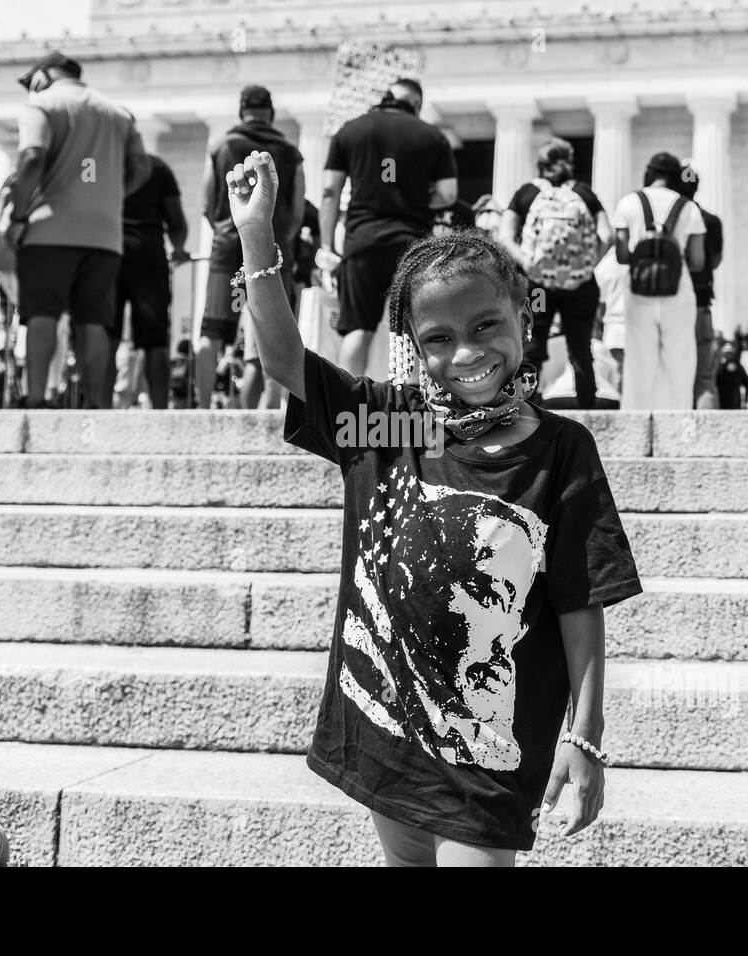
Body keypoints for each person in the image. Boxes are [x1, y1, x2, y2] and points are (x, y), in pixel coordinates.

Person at [226, 149, 641, 866]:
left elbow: (581, 601)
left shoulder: (563, 449)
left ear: (523, 315)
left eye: (486, 326)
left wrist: (584, 735)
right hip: (389, 740)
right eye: (439, 340)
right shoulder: (388, 424)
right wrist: (256, 232)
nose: (467, 353)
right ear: (415, 349)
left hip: (490, 756)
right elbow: (284, 363)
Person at [7, 51, 150, 409]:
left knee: (42, 314)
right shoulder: (118, 112)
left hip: (48, 231)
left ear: (44, 75)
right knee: (94, 321)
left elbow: (32, 159)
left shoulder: (41, 105)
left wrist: (19, 216)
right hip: (104, 236)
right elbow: (141, 168)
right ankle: (96, 405)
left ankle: (37, 397)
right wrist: (108, 194)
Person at [320, 79, 458, 376]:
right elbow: (448, 195)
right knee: (414, 330)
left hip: (362, 241)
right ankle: (409, 405)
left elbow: (330, 191)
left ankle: (351, 404)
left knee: (358, 329)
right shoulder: (432, 137)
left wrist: (327, 246)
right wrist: (415, 199)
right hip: (412, 245)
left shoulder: (350, 130)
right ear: (416, 105)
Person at [200, 85, 304, 410]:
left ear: (241, 110)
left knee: (213, 330)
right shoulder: (289, 152)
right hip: (271, 249)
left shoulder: (221, 146)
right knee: (267, 330)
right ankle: (267, 410)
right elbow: (298, 211)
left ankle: (203, 409)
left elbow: (206, 203)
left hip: (227, 246)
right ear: (270, 112)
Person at [499, 138, 611, 409]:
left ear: (540, 164)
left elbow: (505, 236)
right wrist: (585, 267)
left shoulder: (527, 193)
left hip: (539, 287)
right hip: (580, 287)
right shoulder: (584, 193)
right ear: (570, 163)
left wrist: (528, 264)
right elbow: (607, 236)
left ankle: (526, 408)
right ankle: (588, 412)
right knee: (581, 349)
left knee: (534, 343)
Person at [611, 151, 706, 410]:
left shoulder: (629, 202)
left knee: (639, 360)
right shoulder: (688, 207)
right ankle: (677, 422)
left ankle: (637, 419)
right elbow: (697, 262)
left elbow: (621, 256)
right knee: (679, 360)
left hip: (639, 291)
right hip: (678, 291)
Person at [111, 153, 187, 409]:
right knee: (155, 340)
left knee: (106, 334)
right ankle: (160, 409)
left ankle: (97, 405)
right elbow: (176, 221)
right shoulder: (157, 167)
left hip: (108, 252)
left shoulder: (100, 162)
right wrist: (178, 247)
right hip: (148, 253)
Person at [674, 160, 724, 409]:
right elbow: (714, 261)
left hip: (674, 304)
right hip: (701, 302)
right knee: (705, 377)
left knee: (675, 375)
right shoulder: (712, 221)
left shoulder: (672, 220)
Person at [715, 340, 748, 409]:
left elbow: (747, 383)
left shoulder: (739, 367)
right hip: (718, 403)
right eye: (726, 351)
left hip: (734, 403)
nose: (728, 355)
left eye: (730, 351)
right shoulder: (717, 366)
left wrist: (746, 400)